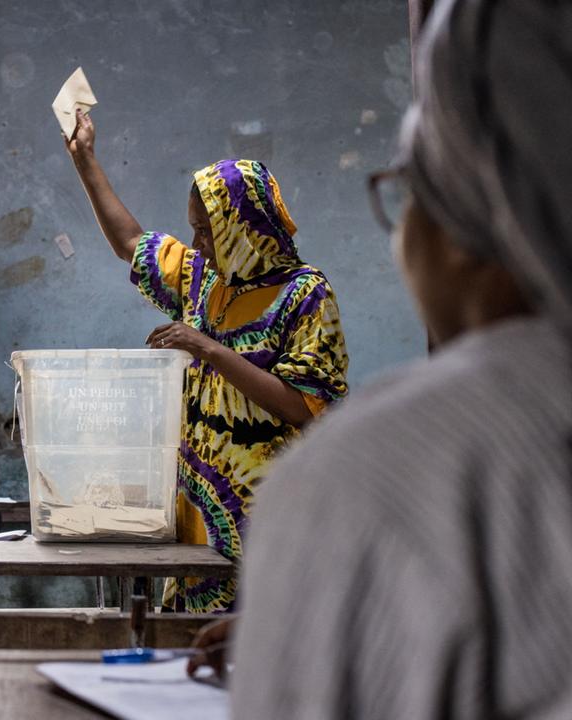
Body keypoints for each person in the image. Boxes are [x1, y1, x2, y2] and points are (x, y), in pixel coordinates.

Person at [218, 1, 572, 715]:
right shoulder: (206, 290)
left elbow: (309, 406)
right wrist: (317, 631)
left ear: (466, 219)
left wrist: (326, 627)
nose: (199, 243)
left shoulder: (365, 478)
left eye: (407, 187)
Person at [64, 114, 350, 612]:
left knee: (260, 644)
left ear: (242, 228)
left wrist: (209, 349)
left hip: (270, 512)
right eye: (195, 231)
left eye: (206, 232)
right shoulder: (205, 279)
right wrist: (85, 160)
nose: (196, 245)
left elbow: (305, 407)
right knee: (188, 652)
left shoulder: (304, 294)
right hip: (198, 510)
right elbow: (131, 243)